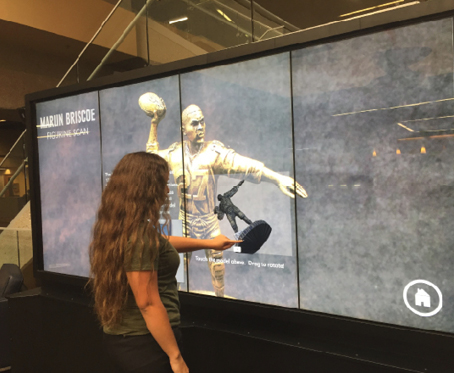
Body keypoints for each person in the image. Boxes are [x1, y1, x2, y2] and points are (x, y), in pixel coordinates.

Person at [89, 152, 240, 373]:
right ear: (146, 188)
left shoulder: (124, 229)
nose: (168, 191)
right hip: (146, 345)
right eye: (163, 184)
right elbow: (148, 304)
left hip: (129, 341)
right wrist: (175, 356)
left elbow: (161, 243)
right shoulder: (139, 238)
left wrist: (210, 243)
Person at [146, 104, 308, 297]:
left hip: (208, 222)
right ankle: (177, 304)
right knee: (178, 271)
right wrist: (154, 124)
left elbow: (246, 166)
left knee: (218, 270)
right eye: (195, 124)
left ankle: (221, 303)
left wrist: (277, 178)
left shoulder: (214, 153)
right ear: (184, 129)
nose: (200, 128)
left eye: (202, 122)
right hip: (186, 222)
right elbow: (150, 157)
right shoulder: (174, 154)